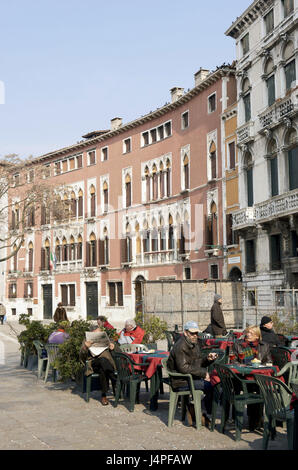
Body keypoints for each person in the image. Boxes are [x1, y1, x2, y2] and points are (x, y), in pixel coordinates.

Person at [167, 320, 218, 428]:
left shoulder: (194, 344)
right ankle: (199, 412)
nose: (195, 335)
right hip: (180, 381)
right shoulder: (180, 346)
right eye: (192, 333)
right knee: (213, 386)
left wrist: (208, 359)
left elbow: (198, 363)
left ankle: (196, 410)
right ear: (185, 333)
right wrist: (204, 374)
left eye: (196, 333)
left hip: (190, 378)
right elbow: (183, 368)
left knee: (217, 383)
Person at [233, 325, 272, 431]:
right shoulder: (239, 344)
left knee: (259, 388)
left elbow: (268, 361)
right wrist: (241, 365)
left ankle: (256, 420)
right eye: (247, 332)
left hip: (258, 376)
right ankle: (254, 420)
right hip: (242, 377)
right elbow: (234, 360)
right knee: (253, 388)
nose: (248, 334)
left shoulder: (264, 346)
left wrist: (263, 365)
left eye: (251, 333)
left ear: (257, 336)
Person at [79, 329, 120, 406]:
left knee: (103, 368)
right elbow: (81, 356)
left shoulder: (108, 340)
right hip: (94, 364)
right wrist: (85, 347)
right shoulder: (86, 340)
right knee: (102, 360)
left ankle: (104, 395)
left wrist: (113, 348)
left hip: (107, 364)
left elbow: (119, 352)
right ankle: (114, 380)